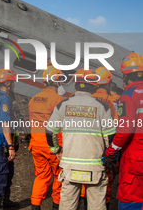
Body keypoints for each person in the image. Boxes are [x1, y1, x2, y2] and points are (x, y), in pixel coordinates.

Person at [46, 69, 116, 210]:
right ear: (94, 86)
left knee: (67, 205)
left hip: (70, 165)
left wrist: (56, 150)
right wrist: (109, 157)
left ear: (75, 85)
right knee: (97, 205)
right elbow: (110, 136)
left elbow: (49, 131)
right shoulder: (103, 107)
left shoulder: (62, 105)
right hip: (95, 166)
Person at [104, 52, 143, 209]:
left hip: (135, 159)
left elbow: (125, 130)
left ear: (125, 76)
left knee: (130, 200)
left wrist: (111, 152)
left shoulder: (128, 95)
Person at [28, 65, 64, 210]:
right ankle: (56, 206)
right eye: (60, 79)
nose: (61, 83)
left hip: (36, 145)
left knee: (41, 177)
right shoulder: (58, 100)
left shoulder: (34, 99)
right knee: (58, 177)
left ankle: (35, 205)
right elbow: (61, 127)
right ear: (56, 81)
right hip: (53, 146)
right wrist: (60, 147)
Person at [0, 68, 20, 210]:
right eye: (12, 82)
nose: (14, 85)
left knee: (8, 173)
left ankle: (5, 201)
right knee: (1, 175)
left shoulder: (0, 96)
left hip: (2, 142)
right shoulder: (3, 99)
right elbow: (5, 124)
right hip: (1, 143)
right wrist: (10, 146)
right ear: (7, 83)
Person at [93, 67, 119, 209]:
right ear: (107, 83)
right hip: (104, 145)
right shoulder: (110, 100)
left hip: (87, 144)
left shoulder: (86, 98)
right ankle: (106, 203)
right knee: (107, 178)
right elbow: (115, 125)